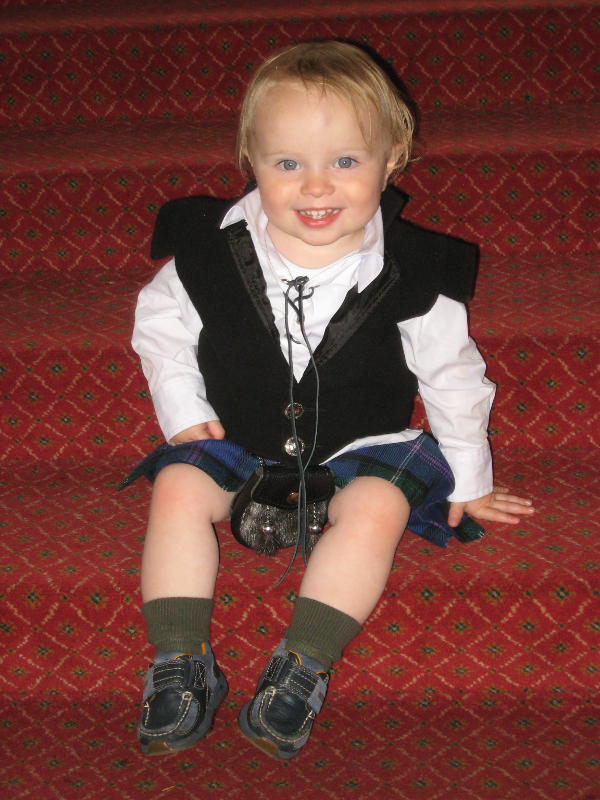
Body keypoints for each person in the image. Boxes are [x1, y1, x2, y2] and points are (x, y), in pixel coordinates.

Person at [121, 41, 535, 760]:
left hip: (355, 450)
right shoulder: (207, 251)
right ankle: (180, 660)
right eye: (288, 164)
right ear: (251, 160)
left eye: (345, 161)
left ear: (391, 158)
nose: (316, 186)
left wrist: (470, 480)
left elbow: (452, 375)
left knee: (380, 507)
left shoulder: (418, 270)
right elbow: (160, 329)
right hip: (240, 444)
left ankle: (303, 663)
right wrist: (182, 410)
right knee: (178, 487)